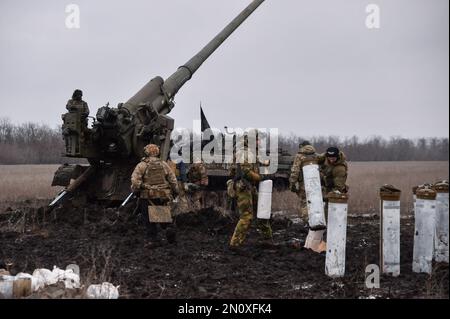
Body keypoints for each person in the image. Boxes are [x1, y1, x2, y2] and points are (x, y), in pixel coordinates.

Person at [229, 129, 273, 248]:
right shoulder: (243, 153)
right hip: (243, 187)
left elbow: (259, 162)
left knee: (262, 212)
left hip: (250, 187)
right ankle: (235, 244)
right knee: (246, 217)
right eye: (257, 139)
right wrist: (261, 177)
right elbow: (247, 172)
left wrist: (267, 163)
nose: (259, 142)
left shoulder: (251, 152)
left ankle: (267, 239)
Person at [131, 144, 179, 247]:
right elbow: (173, 179)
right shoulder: (164, 164)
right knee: (162, 217)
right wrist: (175, 191)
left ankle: (152, 240)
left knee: (148, 219)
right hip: (162, 196)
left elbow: (135, 181)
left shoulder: (142, 165)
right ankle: (169, 229)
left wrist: (137, 190)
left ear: (146, 152)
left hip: (147, 196)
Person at [288, 141, 318, 222]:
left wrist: (292, 184)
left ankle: (308, 223)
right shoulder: (316, 155)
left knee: (305, 203)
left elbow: (295, 171)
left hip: (304, 184)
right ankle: (317, 221)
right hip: (316, 184)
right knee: (316, 203)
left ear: (301, 146)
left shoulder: (299, 156)